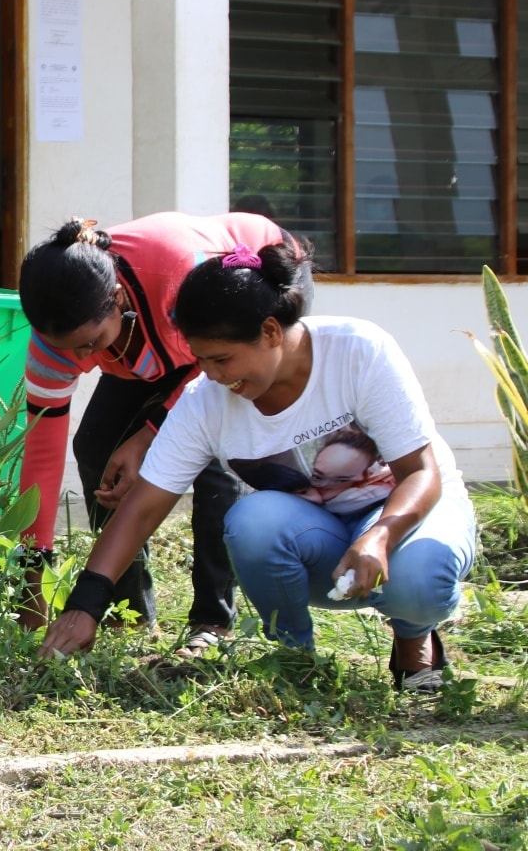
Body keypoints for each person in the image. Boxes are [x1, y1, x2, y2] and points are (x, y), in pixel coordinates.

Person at [39, 241, 475, 692]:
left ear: (270, 331)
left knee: (421, 577)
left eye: (222, 358)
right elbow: (143, 508)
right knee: (250, 521)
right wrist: (85, 604)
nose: (211, 374)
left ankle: (413, 634)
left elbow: (421, 472)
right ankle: (293, 660)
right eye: (200, 359)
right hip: (318, 538)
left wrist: (378, 537)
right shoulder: (205, 403)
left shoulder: (357, 351)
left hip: (403, 517)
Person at [15, 212, 309, 654]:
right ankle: (127, 614)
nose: (79, 358)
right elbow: (41, 454)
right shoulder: (57, 344)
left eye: (89, 345)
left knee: (212, 459)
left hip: (242, 295)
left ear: (115, 299)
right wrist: (32, 576)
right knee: (96, 447)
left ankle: (213, 622)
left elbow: (209, 366)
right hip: (155, 337)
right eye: (65, 348)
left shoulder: (175, 274)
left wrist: (148, 434)